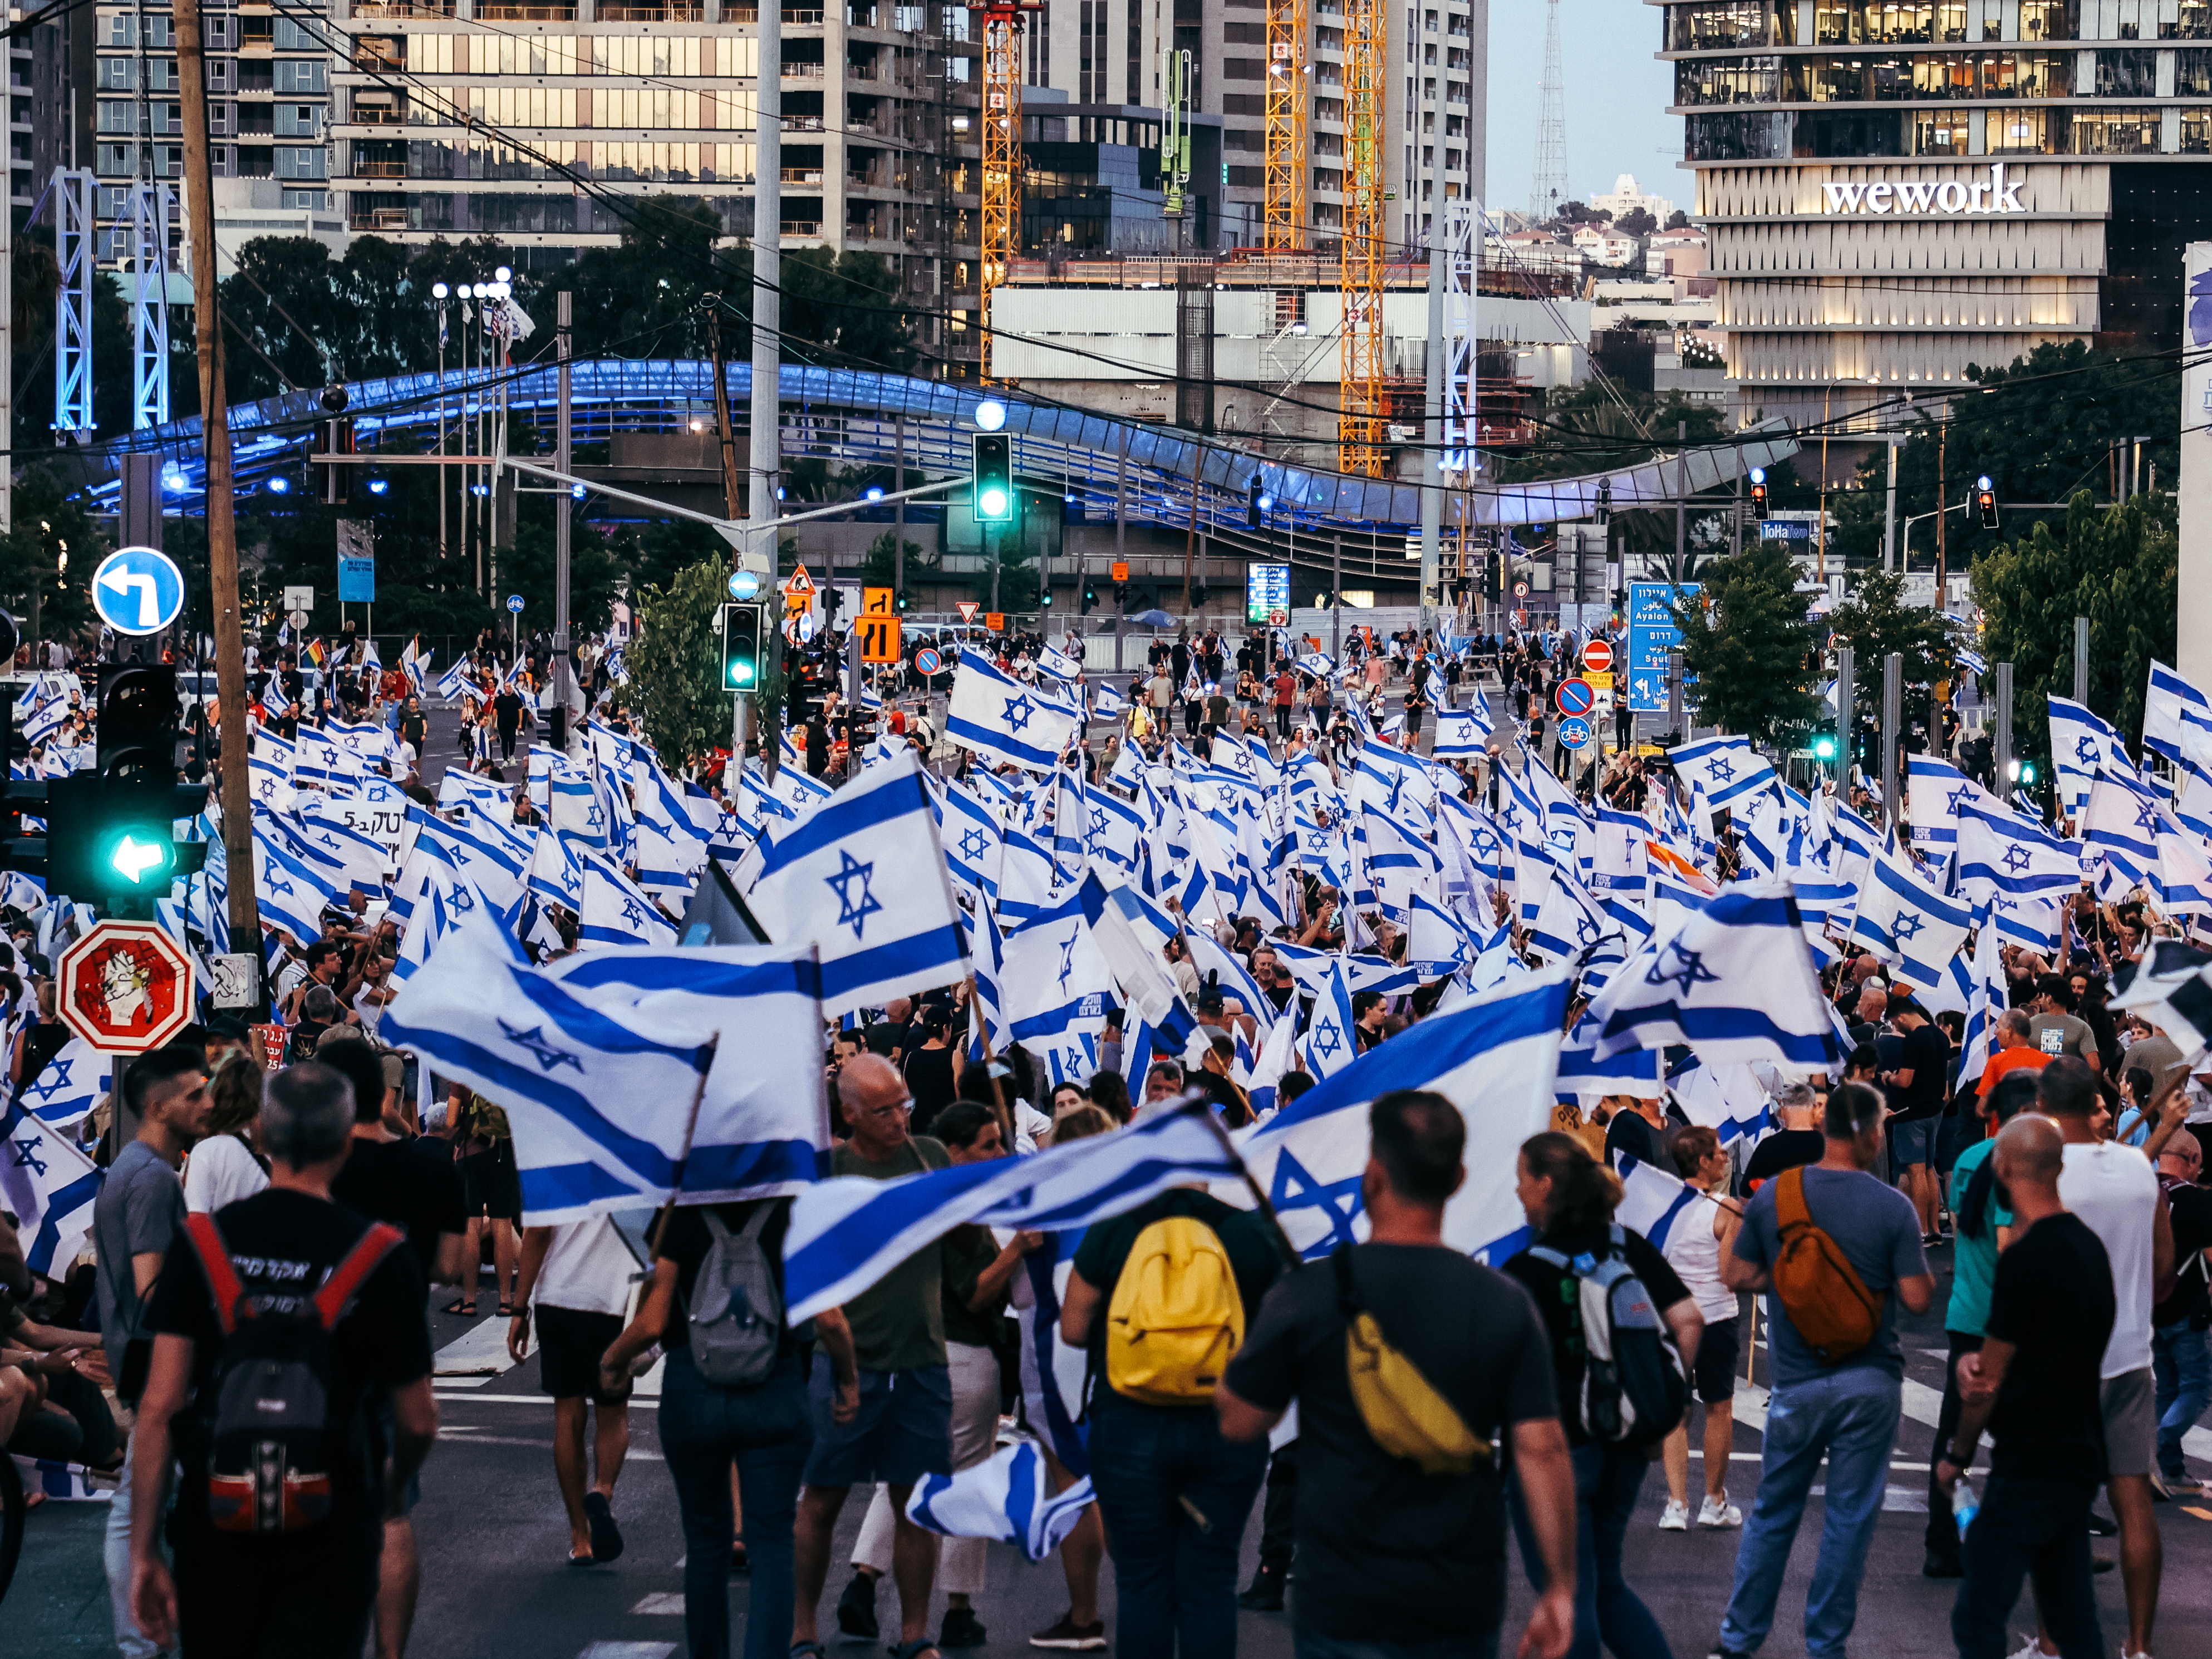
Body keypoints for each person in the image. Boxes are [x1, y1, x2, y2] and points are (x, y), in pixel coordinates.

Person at [1217, 1090, 1578, 1659]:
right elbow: (1542, 1449)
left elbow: (1238, 1419)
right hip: (1457, 1594)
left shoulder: (1308, 1294)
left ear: (1372, 1173)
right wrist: (1560, 1587)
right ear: (1459, 1177)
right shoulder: (1501, 1300)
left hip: (1340, 1593)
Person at [127, 1064, 439, 1658]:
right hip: (332, 1520)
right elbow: (419, 1418)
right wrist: (388, 1492)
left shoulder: (203, 1243)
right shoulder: (381, 1255)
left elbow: (160, 1405)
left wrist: (143, 1549)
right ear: (347, 1139)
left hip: (216, 1521)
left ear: (262, 1137)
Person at [1709, 1081, 1934, 1659]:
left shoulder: (1778, 1194)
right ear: (1865, 1133)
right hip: (1870, 1377)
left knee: (1772, 1511)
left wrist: (1792, 1280)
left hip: (1796, 1378)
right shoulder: (1892, 1206)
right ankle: (1824, 1644)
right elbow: (1914, 1297)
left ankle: (1738, 1638)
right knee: (1847, 1518)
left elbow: (1735, 1274)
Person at [1058, 1136, 1287, 1657]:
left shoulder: (1115, 1228)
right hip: (1225, 1425)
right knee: (1209, 1582)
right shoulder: (1250, 1231)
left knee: (1143, 1582)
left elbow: (1073, 1328)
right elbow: (1280, 1336)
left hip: (1128, 1423)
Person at [839, 1101, 1041, 1651]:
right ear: (954, 1150)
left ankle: (863, 1581)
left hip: (915, 1353)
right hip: (962, 1353)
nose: (1000, 1153)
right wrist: (1017, 1248)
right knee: (964, 1473)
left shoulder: (918, 1197)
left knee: (905, 1474)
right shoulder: (956, 1208)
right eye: (989, 1143)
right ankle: (956, 1606)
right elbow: (977, 1289)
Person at [1502, 1133, 1701, 1659]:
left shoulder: (1523, 1271)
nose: (1517, 1191)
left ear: (1545, 1185)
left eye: (1522, 1179)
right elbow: (1688, 1319)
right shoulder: (1625, 1244)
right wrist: (1670, 1397)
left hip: (1556, 1449)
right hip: (1627, 1441)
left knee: (1568, 1594)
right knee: (1606, 1586)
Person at [792, 1055, 956, 1659]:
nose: (898, 1118)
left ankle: (915, 1633)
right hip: (844, 1365)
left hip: (921, 1358)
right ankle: (802, 1627)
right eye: (884, 1109)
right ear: (850, 1114)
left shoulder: (929, 1157)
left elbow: (962, 1231)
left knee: (913, 1501)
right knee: (822, 1497)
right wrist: (841, 1368)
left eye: (904, 1103)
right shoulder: (829, 1173)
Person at [1938, 1114, 2116, 1659]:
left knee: (1976, 1615)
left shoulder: (2024, 1258)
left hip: (2029, 1458)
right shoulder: (2088, 1247)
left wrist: (1957, 1453)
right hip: (2078, 1451)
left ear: (2001, 1164)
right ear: (2059, 1166)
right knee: (2071, 1616)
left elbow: (1985, 1377)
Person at [322, 1038, 468, 1659]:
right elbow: (450, 1264)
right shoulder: (433, 1167)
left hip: (320, 1351)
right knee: (391, 1513)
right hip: (400, 1347)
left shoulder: (316, 1165)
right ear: (385, 1094)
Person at [2040, 1056, 2171, 1659]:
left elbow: (2022, 1266)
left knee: (2060, 1503)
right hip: (2128, 1352)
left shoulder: (2044, 1173)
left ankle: (2050, 1640)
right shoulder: (2139, 1169)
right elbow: (2164, 1268)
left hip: (2063, 1357)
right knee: (2132, 1500)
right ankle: (2138, 1645)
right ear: (2095, 1101)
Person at [95, 1043, 210, 1659]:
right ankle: (141, 1638)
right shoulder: (151, 1178)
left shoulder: (137, 1168)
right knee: (136, 1505)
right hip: (151, 1357)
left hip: (137, 1354)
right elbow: (154, 1286)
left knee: (147, 1498)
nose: (208, 1102)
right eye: (195, 1093)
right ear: (159, 1104)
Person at [1923, 1067, 2042, 1577]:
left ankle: (1942, 1542)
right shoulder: (2016, 1162)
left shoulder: (1969, 1158)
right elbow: (2006, 1244)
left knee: (1955, 1434)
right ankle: (2028, 1545)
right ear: (2021, 1113)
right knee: (2027, 1441)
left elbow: (1961, 1224)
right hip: (2006, 1319)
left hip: (1966, 1311)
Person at [509, 1213, 641, 1566]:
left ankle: (580, 1537)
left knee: (567, 1416)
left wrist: (518, 1309)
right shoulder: (630, 1159)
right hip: (610, 1300)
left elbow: (536, 1235)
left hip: (557, 1297)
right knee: (612, 1413)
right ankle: (603, 1490)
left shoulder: (555, 1162)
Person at [1658, 1125, 1744, 1532]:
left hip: (1673, 1317)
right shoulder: (1728, 1209)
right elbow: (1730, 1275)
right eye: (1719, 1152)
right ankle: (1714, 1500)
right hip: (1717, 1317)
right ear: (1704, 1162)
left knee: (1676, 1411)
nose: (1726, 1157)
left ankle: (1677, 1503)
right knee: (1719, 1408)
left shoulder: (1662, 1206)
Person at [2151, 1127, 2212, 1499]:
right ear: (2191, 1160)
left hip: (2147, 1308)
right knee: (2199, 1387)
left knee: (2167, 1388)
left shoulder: (2142, 1190)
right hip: (2186, 1309)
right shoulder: (2195, 1200)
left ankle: (2171, 1469)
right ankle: (2158, 1442)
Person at [1878, 998, 1951, 1243]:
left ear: (1901, 1017)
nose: (1897, 1027)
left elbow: (1905, 1080)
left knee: (1916, 1172)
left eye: (1895, 1023)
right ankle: (1935, 1229)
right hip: (1935, 1110)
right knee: (1929, 1169)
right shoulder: (1941, 1037)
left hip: (1910, 1114)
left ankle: (1921, 1230)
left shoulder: (1914, 1040)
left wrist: (1889, 1077)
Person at [183, 1051, 270, 1215]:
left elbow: (197, 1220)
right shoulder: (279, 1147)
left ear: (218, 1094)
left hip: (223, 1240)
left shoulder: (208, 1151)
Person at [1741, 1084, 1825, 1191]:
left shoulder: (1767, 1147)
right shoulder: (1829, 1147)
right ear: (1815, 1107)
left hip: (1777, 1206)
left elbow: (1746, 1195)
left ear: (1783, 1111)